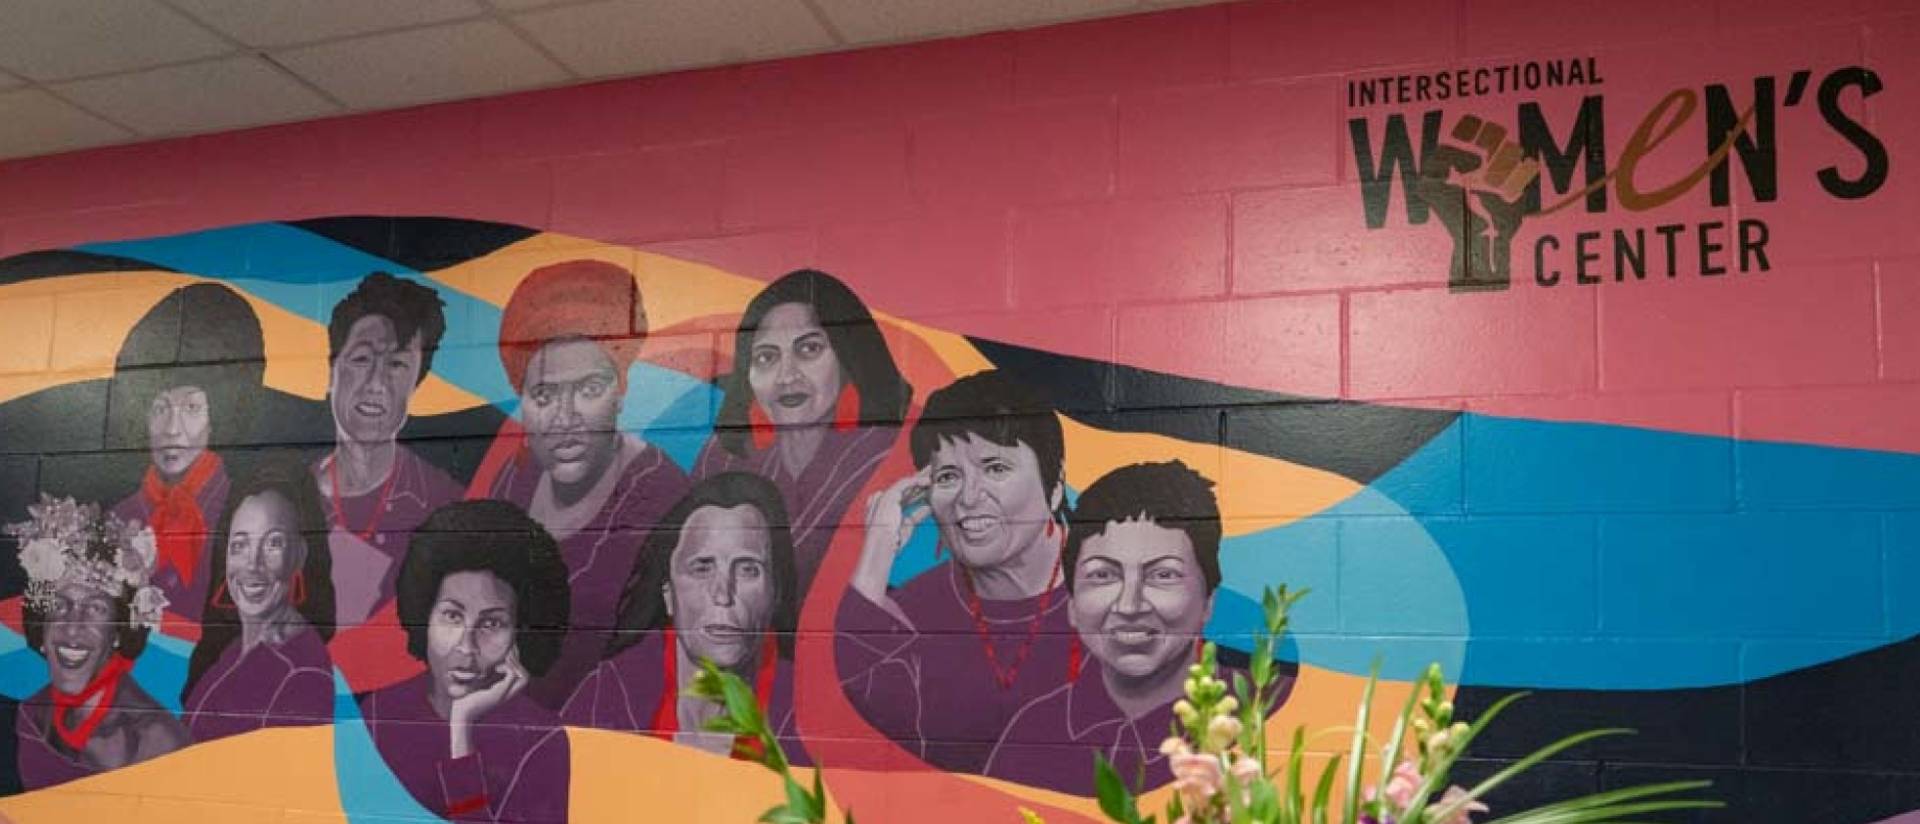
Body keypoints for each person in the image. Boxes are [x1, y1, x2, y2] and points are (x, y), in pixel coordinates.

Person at [984, 461, 1289, 794]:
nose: (1129, 605)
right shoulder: (1033, 734)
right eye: (1103, 575)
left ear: (1208, 602)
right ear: (1071, 604)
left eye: (1163, 575)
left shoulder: (1263, 718)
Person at [836, 370, 1074, 774]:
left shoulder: (1115, 591)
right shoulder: (913, 610)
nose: (968, 497)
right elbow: (860, 706)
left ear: (1054, 485)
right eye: (947, 476)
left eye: (996, 468)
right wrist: (877, 547)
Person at [478, 259, 691, 708]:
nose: (566, 417)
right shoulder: (513, 483)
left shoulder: (661, 498)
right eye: (544, 396)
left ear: (621, 389)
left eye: (589, 389)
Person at [694, 269, 912, 600]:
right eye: (766, 357)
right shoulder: (722, 462)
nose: (786, 376)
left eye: (808, 349)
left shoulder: (887, 457)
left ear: (847, 357)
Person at [561, 472, 803, 760]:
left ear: (774, 593)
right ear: (668, 593)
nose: (723, 594)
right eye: (702, 567)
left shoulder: (805, 708)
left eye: (748, 568)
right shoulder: (608, 693)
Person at [358, 500, 571, 822]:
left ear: (520, 631)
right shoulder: (378, 716)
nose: (467, 647)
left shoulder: (541, 738)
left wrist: (461, 730)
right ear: (424, 616)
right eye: (452, 616)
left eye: (491, 624)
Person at [107, 282, 265, 624]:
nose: (172, 429)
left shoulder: (249, 514)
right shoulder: (116, 519)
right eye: (160, 408)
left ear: (218, 413)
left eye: (192, 407)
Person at [7, 496, 189, 789]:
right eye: (59, 605)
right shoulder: (31, 715)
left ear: (117, 632)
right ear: (41, 625)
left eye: (95, 609)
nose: (73, 626)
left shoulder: (155, 740)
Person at [315, 273, 462, 627]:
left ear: (416, 383)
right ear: (332, 370)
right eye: (362, 359)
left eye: (396, 365)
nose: (376, 384)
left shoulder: (447, 507)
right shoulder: (284, 501)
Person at [179, 456, 337, 743]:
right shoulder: (237, 648)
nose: (253, 564)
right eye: (239, 545)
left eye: (273, 543)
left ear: (299, 555)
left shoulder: (301, 674)